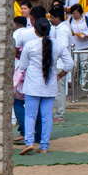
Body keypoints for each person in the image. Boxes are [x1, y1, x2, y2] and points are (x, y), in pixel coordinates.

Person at [17, 17, 72, 155]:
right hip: (50, 84)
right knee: (47, 116)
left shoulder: (30, 45)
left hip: (32, 85)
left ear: (35, 31)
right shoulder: (58, 44)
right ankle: (44, 146)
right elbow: (70, 64)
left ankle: (29, 142)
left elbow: (22, 66)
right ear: (50, 29)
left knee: (30, 115)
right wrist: (60, 75)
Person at [48, 6, 73, 123]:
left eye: (52, 18)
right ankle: (59, 113)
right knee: (58, 89)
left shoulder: (62, 30)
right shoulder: (61, 27)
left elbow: (63, 47)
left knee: (59, 90)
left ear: (57, 18)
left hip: (60, 64)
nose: (50, 20)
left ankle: (60, 115)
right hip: (59, 63)